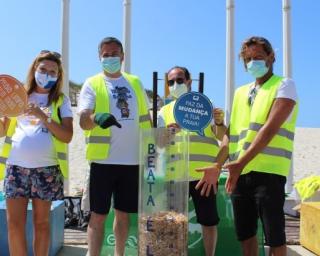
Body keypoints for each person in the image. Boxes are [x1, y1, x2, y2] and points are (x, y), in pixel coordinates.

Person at [198, 36, 298, 256]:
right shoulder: (240, 92)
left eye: (259, 57)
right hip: (240, 173)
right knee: (245, 234)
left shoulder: (284, 85)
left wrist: (240, 162)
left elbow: (269, 129)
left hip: (269, 172)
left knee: (275, 236)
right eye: (248, 59)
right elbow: (231, 136)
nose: (253, 62)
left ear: (271, 57)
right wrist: (217, 165)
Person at [78, 36, 151, 256]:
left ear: (122, 56)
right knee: (98, 216)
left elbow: (145, 119)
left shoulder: (135, 82)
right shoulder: (92, 83)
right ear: (100, 57)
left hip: (133, 162)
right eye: (105, 55)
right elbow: (83, 120)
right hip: (103, 162)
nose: (110, 58)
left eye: (114, 54)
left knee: (123, 215)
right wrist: (96, 117)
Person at [0, 50, 73, 256]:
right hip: (16, 168)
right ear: (34, 69)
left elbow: (67, 136)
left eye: (53, 71)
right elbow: (2, 130)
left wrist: (43, 116)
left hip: (47, 170)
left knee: (41, 224)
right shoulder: (18, 95)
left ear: (59, 76)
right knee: (14, 224)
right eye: (43, 69)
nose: (47, 74)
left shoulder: (61, 100)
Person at [157, 66, 227, 256]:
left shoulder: (206, 105)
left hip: (202, 174)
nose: (175, 84)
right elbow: (159, 144)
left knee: (208, 220)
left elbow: (223, 136)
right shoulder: (164, 111)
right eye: (171, 82)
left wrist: (220, 123)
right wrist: (167, 133)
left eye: (179, 80)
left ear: (189, 82)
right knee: (173, 221)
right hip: (175, 175)